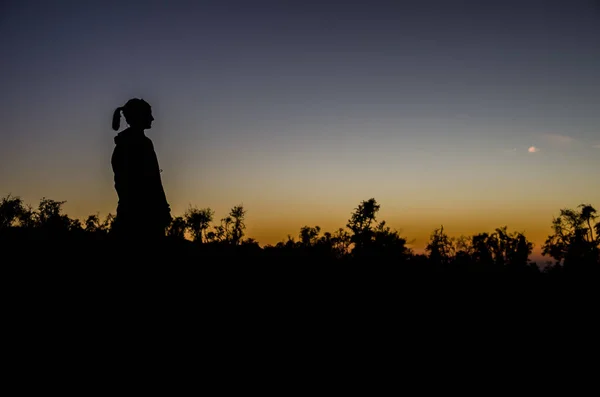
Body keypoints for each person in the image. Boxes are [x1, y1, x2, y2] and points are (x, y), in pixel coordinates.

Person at [110, 98, 171, 243]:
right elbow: (153, 181)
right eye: (148, 114)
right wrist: (161, 208)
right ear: (139, 116)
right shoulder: (140, 144)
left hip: (132, 212)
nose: (152, 118)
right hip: (144, 215)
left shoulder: (125, 143)